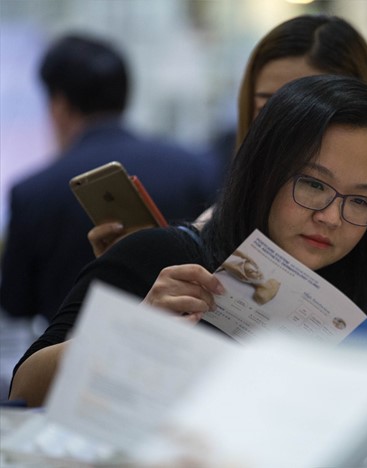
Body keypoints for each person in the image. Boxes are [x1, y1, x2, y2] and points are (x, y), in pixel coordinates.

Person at [90, 14, 367, 370]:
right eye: (271, 104)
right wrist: (134, 297)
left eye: (318, 101)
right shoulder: (207, 236)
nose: (292, 121)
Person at [10, 75, 367, 407]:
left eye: (359, 201)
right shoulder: (167, 259)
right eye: (313, 184)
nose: (331, 217)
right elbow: (23, 390)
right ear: (264, 172)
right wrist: (135, 328)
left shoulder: (359, 314)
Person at [0, 33, 219, 322]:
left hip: (71, 342)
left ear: (59, 104)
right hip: (191, 335)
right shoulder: (196, 167)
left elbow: (16, 304)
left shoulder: (32, 192)